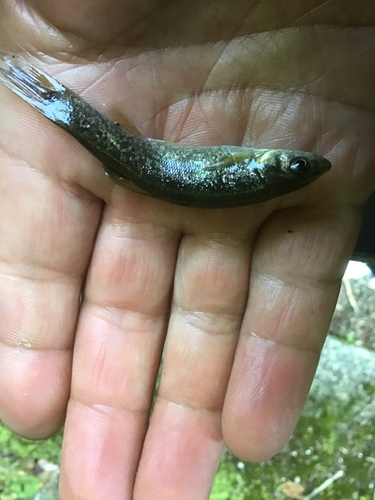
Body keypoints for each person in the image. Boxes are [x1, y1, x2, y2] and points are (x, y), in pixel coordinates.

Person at [0, 1, 374, 498]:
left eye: (297, 168)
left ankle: (53, 102)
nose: (306, 164)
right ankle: (52, 102)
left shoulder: (262, 173)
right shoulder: (266, 174)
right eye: (298, 168)